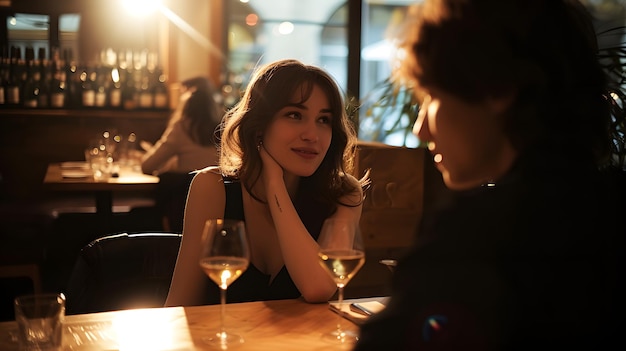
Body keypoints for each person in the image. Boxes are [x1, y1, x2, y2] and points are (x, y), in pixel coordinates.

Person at [354, 1, 625, 350]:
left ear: (496, 88)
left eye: (432, 97)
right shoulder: (608, 205)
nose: (421, 129)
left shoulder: (479, 233)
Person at [165, 59, 369, 306]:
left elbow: (319, 287)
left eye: (323, 120)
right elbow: (178, 306)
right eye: (295, 115)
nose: (312, 135)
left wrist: (275, 184)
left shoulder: (343, 194)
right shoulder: (211, 188)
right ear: (260, 124)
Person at [140, 76, 221, 175]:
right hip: (217, 189)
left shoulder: (182, 128)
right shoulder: (223, 128)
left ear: (187, 101)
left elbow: (147, 166)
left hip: (188, 190)